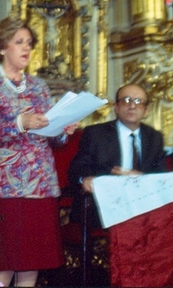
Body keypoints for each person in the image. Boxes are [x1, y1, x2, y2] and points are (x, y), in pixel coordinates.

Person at [0, 16, 77, 287]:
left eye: (29, 43)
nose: (26, 48)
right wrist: (20, 123)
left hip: (41, 182)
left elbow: (50, 137)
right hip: (5, 183)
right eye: (19, 42)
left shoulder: (38, 86)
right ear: (1, 47)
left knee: (32, 262)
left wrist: (63, 129)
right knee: (4, 261)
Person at [68, 84, 166, 229]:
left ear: (146, 111)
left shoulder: (154, 137)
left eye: (138, 102)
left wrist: (140, 177)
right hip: (103, 205)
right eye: (126, 100)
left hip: (143, 205)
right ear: (116, 107)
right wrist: (85, 179)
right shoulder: (95, 134)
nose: (132, 106)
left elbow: (161, 177)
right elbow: (77, 168)